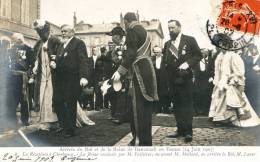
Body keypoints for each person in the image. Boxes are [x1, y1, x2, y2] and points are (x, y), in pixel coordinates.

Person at [112, 12, 158, 146]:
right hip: (146, 69)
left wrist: (120, 71)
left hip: (138, 71)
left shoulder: (132, 30)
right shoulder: (144, 30)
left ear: (126, 21)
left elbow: (131, 54)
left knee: (138, 109)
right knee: (144, 108)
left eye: (124, 24)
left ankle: (141, 141)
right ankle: (143, 139)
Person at [209, 34, 260, 127]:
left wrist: (231, 79)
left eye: (218, 45)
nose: (217, 48)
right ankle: (222, 118)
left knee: (232, 100)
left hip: (232, 83)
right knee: (220, 98)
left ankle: (230, 119)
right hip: (222, 83)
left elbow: (239, 72)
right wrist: (218, 81)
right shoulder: (219, 56)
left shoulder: (233, 56)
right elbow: (218, 72)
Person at [163, 19, 202, 142]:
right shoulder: (168, 44)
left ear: (179, 27)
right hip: (173, 80)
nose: (170, 30)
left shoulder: (189, 40)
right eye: (169, 28)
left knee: (187, 105)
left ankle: (188, 132)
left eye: (173, 28)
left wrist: (187, 63)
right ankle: (180, 130)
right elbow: (166, 60)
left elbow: (198, 55)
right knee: (177, 106)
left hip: (185, 79)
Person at [54, 24, 89, 137]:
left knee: (70, 104)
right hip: (60, 79)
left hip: (72, 79)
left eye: (65, 31)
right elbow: (59, 59)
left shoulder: (78, 43)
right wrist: (55, 63)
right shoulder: (61, 45)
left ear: (72, 33)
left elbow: (83, 60)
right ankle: (64, 125)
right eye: (62, 31)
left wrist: (84, 76)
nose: (63, 33)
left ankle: (70, 130)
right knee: (57, 101)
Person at [32, 20, 60, 131]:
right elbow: (37, 58)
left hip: (53, 73)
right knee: (42, 95)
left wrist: (56, 61)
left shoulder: (54, 40)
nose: (40, 35)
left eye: (42, 32)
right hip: (42, 73)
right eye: (39, 33)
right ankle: (45, 120)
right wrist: (36, 65)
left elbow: (60, 54)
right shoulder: (38, 43)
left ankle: (54, 120)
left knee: (51, 95)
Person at [6, 33, 35, 127]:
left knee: (24, 99)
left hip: (23, 78)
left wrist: (31, 76)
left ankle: (25, 119)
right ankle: (12, 120)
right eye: (13, 40)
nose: (13, 41)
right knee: (12, 99)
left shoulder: (29, 49)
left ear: (20, 39)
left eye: (14, 39)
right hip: (12, 77)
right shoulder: (10, 49)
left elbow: (33, 64)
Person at [105, 26, 131, 124]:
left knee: (123, 95)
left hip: (125, 74)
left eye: (112, 36)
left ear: (117, 36)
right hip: (117, 74)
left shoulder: (126, 46)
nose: (111, 38)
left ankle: (122, 116)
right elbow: (114, 60)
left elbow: (126, 61)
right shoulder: (116, 48)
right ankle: (116, 114)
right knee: (116, 94)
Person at [193, 48, 215, 116]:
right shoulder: (196, 60)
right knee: (197, 94)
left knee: (206, 95)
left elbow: (213, 69)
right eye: (201, 53)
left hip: (206, 80)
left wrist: (211, 77)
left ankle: (205, 111)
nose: (202, 54)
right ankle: (197, 111)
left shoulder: (211, 60)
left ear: (207, 53)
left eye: (204, 53)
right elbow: (193, 69)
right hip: (198, 80)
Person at [152, 46, 170, 114]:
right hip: (155, 79)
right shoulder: (152, 59)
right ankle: (157, 109)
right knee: (156, 93)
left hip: (163, 79)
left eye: (158, 52)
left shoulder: (165, 59)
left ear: (161, 52)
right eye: (155, 52)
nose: (156, 53)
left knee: (164, 93)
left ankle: (165, 108)